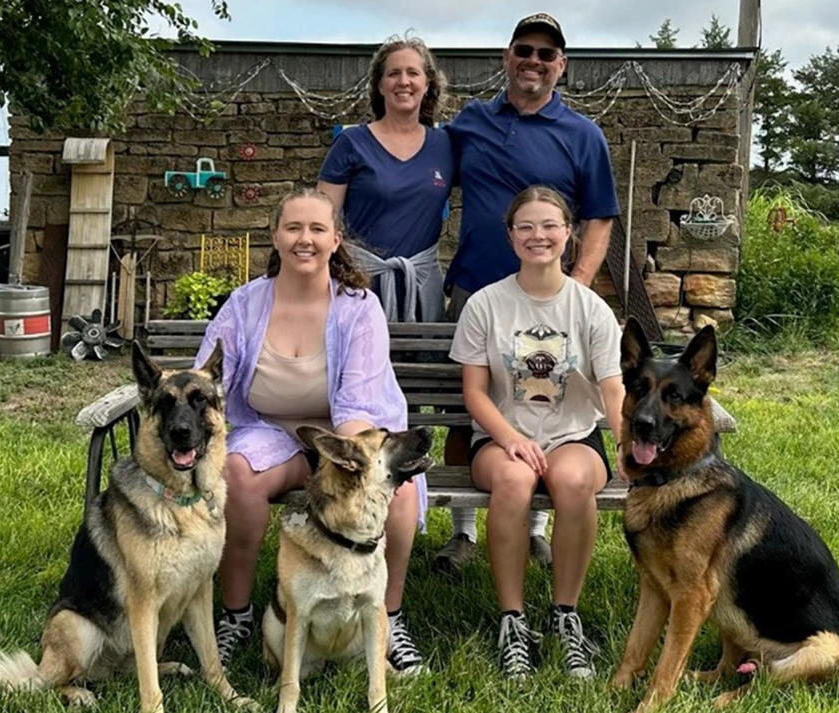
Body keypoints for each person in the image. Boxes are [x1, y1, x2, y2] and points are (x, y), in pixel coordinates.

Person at [193, 188, 427, 676]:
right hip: (270, 431)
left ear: (336, 240)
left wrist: (350, 462)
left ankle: (389, 618)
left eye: (318, 229)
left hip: (349, 436)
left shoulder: (359, 307)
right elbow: (207, 380)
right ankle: (236, 614)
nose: (305, 239)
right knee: (237, 473)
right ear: (275, 236)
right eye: (294, 228)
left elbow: (359, 405)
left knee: (400, 492)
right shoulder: (244, 305)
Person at [435, 11, 621, 572]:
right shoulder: (470, 123)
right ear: (507, 56)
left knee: (545, 396)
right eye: (524, 50)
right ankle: (463, 533)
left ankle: (535, 528)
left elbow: (600, 217)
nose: (533, 61)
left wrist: (575, 288)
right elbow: (421, 170)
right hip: (476, 292)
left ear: (561, 66)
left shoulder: (583, 135)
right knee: (462, 410)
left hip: (550, 301)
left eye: (546, 54)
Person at [448, 186, 625, 679]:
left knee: (572, 480)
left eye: (549, 225)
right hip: (502, 436)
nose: (538, 236)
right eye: (525, 226)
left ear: (568, 233)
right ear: (510, 236)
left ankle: (565, 615)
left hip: (573, 435)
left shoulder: (591, 308)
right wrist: (510, 438)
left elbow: (612, 388)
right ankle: (513, 621)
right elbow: (474, 394)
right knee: (514, 480)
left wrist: (627, 443)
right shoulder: (485, 304)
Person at [317, 36, 453, 323]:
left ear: (427, 84)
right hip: (359, 285)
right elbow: (321, 222)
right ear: (379, 85)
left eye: (413, 73)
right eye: (393, 73)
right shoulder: (352, 143)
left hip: (421, 290)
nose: (404, 81)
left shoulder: (446, 145)